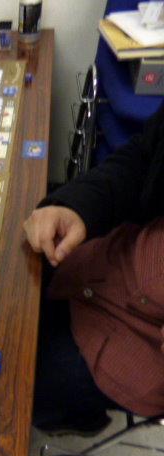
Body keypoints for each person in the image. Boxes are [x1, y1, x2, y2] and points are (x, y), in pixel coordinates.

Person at [24, 103, 164, 434]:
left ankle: (67, 417)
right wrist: (77, 206)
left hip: (134, 348)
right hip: (109, 258)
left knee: (19, 382)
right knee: (8, 288)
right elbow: (144, 157)